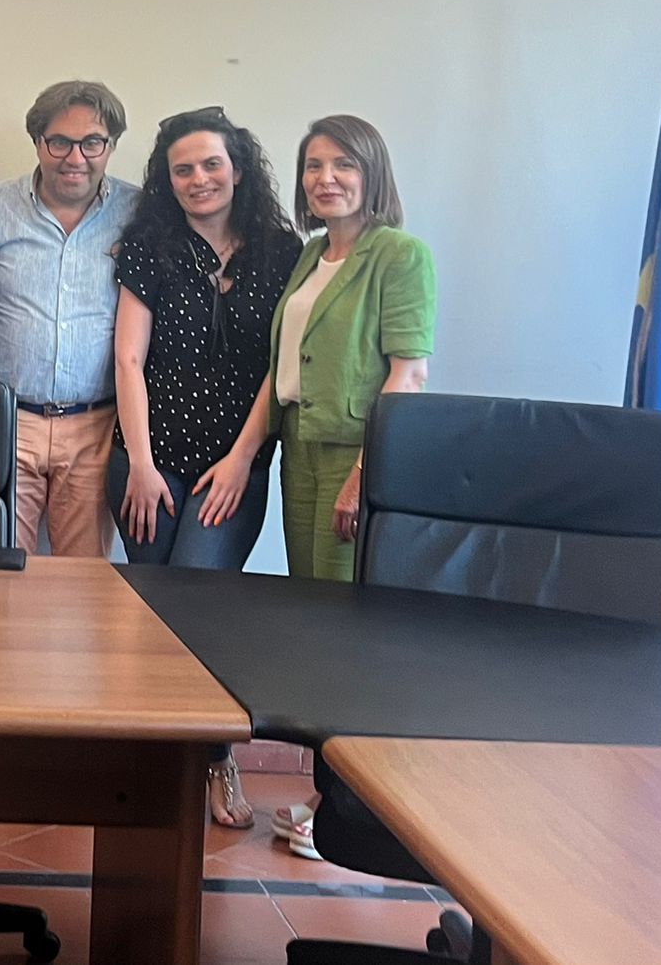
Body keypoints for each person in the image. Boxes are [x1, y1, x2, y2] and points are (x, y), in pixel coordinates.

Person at [205, 114, 435, 857]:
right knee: (316, 625)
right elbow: (281, 372)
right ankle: (323, 796)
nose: (325, 178)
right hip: (300, 449)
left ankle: (350, 808)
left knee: (347, 636)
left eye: (343, 164)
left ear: (372, 172)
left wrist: (367, 477)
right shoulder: (312, 256)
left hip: (356, 458)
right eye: (313, 165)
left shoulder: (398, 255)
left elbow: (409, 375)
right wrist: (243, 453)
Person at [109, 107, 302, 830]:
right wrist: (140, 463)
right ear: (167, 179)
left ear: (238, 169)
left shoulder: (282, 252)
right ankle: (156, 760)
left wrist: (242, 460)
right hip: (147, 465)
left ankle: (218, 758)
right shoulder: (149, 247)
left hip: (233, 466)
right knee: (152, 613)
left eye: (211, 164)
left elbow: (279, 368)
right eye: (182, 168)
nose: (198, 179)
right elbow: (128, 358)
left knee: (203, 610)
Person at [0, 81, 138, 556]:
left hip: (96, 426)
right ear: (37, 142)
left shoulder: (137, 213)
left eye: (92, 143)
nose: (76, 158)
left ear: (111, 145)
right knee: (1, 566)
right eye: (60, 142)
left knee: (83, 578)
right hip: (9, 423)